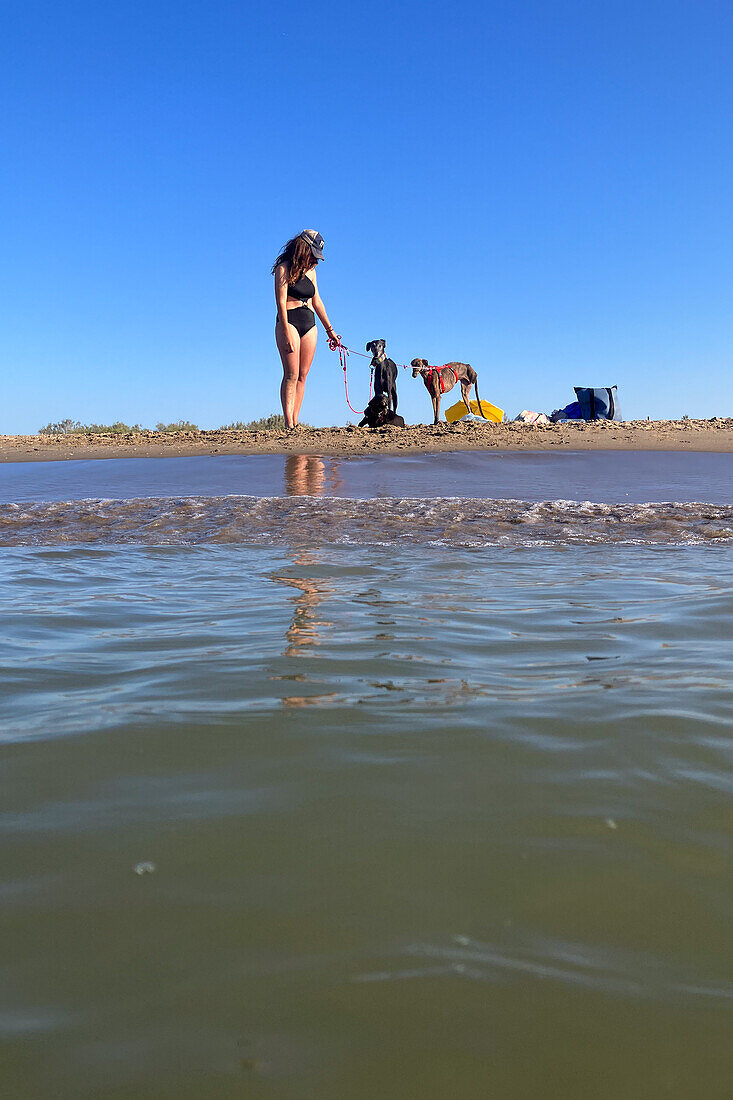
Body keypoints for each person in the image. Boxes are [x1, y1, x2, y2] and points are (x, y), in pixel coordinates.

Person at [272, 230, 340, 429]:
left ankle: (296, 420)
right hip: (289, 321)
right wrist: (284, 330)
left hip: (309, 323)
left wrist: (330, 330)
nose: (315, 261)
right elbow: (280, 302)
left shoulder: (312, 272)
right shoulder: (283, 269)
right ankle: (288, 423)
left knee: (303, 375)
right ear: (303, 249)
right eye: (313, 255)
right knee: (291, 374)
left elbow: (317, 302)